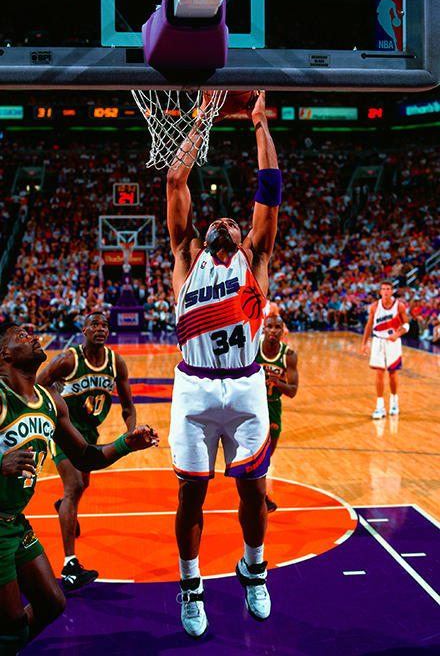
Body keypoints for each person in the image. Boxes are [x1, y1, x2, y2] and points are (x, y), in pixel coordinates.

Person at [166, 90, 280, 638]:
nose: (228, 220)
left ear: (244, 238)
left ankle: (253, 570)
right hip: (194, 389)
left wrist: (259, 123)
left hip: (246, 385)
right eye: (220, 219)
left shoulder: (255, 257)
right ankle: (191, 587)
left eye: (236, 221)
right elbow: (175, 180)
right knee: (191, 493)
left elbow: (270, 190)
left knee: (253, 492)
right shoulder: (185, 255)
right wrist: (202, 116)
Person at [0, 321, 159, 655]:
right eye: (22, 336)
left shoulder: (51, 402)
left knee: (52, 603)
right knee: (12, 626)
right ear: (6, 355)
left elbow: (86, 456)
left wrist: (126, 444)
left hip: (14, 521)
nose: (33, 336)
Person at [36, 311, 137, 592]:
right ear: (84, 330)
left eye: (105, 325)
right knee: (74, 486)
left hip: (90, 433)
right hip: (63, 430)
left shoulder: (116, 362)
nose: (100, 329)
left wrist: (131, 431)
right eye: (95, 325)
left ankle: (63, 507)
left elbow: (128, 406)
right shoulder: (67, 360)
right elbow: (37, 386)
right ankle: (70, 566)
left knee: (83, 484)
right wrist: (51, 408)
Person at [255, 315, 298, 512]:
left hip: (273, 406)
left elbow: (293, 391)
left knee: (267, 455)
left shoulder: (289, 355)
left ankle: (259, 493)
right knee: (254, 452)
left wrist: (277, 382)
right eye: (269, 326)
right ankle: (259, 495)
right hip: (252, 405)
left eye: (277, 327)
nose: (273, 330)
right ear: (263, 329)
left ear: (283, 331)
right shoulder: (253, 349)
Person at [361, 280, 409, 418]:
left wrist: (397, 334)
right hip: (378, 341)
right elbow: (369, 325)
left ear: (392, 291)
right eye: (383, 289)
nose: (386, 291)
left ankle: (394, 401)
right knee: (379, 373)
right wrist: (364, 343)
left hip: (393, 342)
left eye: (388, 289)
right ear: (380, 292)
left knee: (392, 373)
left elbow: (407, 325)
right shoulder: (374, 306)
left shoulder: (399, 306)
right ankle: (380, 407)